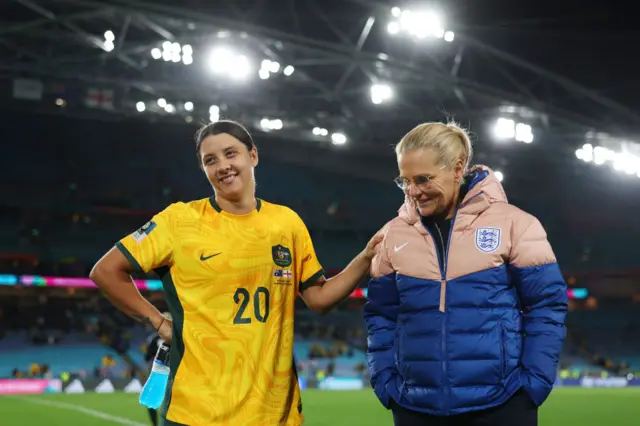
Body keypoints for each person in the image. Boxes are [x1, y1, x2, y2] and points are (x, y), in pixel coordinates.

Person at [90, 120, 381, 426]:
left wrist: (364, 258)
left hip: (274, 414)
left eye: (231, 153)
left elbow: (320, 299)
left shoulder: (286, 223)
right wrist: (157, 321)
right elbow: (106, 271)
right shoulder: (179, 221)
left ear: (253, 155)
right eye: (210, 160)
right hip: (197, 412)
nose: (223, 166)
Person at [364, 122, 568, 426]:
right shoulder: (392, 235)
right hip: (414, 408)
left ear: (457, 169)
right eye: (404, 181)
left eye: (423, 179)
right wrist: (387, 384)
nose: (413, 191)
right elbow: (380, 315)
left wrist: (532, 385)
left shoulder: (516, 225)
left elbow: (547, 305)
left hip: (503, 405)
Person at [144, 312, 172, 426]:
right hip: (173, 374)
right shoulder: (179, 338)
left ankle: (155, 424)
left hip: (159, 374)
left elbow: (147, 357)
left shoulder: (153, 339)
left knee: (151, 401)